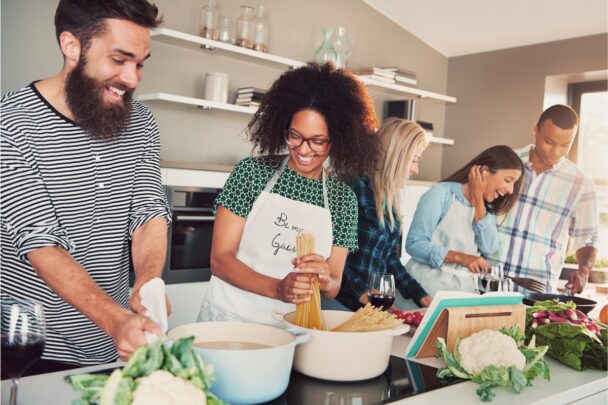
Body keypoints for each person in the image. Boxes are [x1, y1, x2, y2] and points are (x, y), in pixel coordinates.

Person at [1, 0, 170, 375]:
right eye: (120, 59)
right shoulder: (11, 124)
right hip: (30, 343)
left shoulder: (140, 123)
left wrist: (148, 281)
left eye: (140, 63)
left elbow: (148, 213)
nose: (133, 79)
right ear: (72, 46)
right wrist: (115, 320)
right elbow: (41, 241)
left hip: (112, 343)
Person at [197, 63, 379, 325]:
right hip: (230, 319)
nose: (303, 150)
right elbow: (220, 259)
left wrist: (324, 277)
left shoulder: (342, 200)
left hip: (292, 328)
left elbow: (334, 285)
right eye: (295, 136)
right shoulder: (251, 173)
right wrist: (277, 288)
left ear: (338, 140)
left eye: (317, 141)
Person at [494, 105, 599, 293]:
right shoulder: (504, 162)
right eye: (549, 142)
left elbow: (587, 240)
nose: (556, 151)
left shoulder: (581, 184)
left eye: (565, 145)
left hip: (537, 294)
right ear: (536, 130)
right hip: (488, 282)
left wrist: (583, 271)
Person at [336, 118, 433, 311]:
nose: (416, 169)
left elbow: (389, 258)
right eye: (413, 160)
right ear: (396, 156)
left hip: (370, 308)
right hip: (344, 305)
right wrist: (369, 298)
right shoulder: (355, 190)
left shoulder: (389, 201)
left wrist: (422, 296)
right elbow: (337, 263)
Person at [405, 146, 524, 297]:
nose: (511, 190)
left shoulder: (485, 208)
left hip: (462, 293)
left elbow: (490, 248)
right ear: (484, 172)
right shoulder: (441, 194)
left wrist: (477, 200)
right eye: (508, 180)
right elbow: (414, 244)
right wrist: (461, 258)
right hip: (425, 292)